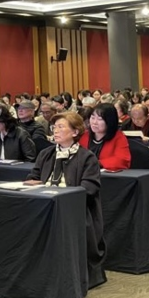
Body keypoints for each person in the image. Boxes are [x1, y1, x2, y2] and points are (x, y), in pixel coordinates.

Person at [25, 112, 106, 288]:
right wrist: (35, 184)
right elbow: (33, 177)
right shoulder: (46, 154)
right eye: (54, 127)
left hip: (74, 210)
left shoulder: (87, 157)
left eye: (61, 127)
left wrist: (62, 196)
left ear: (75, 132)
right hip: (45, 204)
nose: (55, 131)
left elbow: (89, 188)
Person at [79, 103, 131, 170]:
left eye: (100, 119)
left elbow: (122, 160)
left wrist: (97, 163)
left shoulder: (118, 137)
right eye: (92, 118)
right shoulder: (84, 136)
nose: (94, 122)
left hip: (106, 175)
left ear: (109, 121)